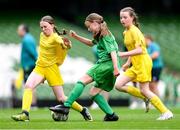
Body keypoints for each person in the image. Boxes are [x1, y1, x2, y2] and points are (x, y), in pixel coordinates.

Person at [11, 15, 92, 121]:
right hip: (39, 67)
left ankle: (83, 110)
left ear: (52, 25)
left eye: (45, 26)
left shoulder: (55, 38)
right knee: (28, 86)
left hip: (51, 69)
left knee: (61, 98)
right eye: (42, 27)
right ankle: (25, 114)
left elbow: (64, 44)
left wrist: (67, 44)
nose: (43, 29)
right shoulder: (41, 35)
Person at [50, 13, 120, 121]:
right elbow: (91, 43)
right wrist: (76, 37)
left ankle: (66, 106)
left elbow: (113, 52)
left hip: (106, 64)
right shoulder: (101, 34)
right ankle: (111, 115)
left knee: (82, 81)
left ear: (95, 23)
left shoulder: (105, 35)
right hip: (109, 66)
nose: (88, 29)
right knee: (93, 93)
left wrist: (115, 67)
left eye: (89, 26)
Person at [115, 7, 173, 120]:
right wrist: (127, 63)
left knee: (145, 90)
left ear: (132, 18)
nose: (122, 19)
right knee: (118, 85)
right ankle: (145, 97)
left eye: (125, 17)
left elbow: (140, 50)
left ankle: (166, 112)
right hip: (135, 64)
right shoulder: (125, 32)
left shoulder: (135, 31)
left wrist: (122, 54)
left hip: (143, 63)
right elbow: (132, 49)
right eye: (121, 17)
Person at [17, 24, 38, 108]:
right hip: (30, 65)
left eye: (19, 30)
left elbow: (33, 52)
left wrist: (37, 61)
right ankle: (33, 104)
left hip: (28, 65)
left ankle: (32, 104)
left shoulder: (26, 39)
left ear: (23, 30)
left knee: (28, 85)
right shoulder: (30, 38)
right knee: (31, 85)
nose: (18, 32)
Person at [90, 45, 110, 110]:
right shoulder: (95, 47)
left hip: (106, 67)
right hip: (99, 67)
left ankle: (105, 103)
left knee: (104, 87)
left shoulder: (105, 44)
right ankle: (97, 103)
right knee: (97, 85)